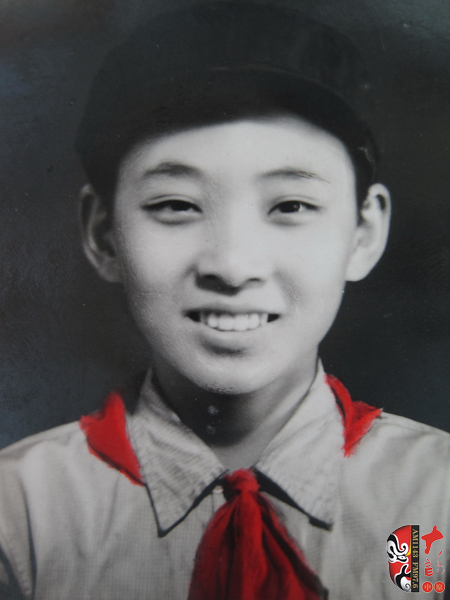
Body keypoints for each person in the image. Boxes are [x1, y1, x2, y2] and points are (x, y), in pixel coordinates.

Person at [0, 2, 449, 599]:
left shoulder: (432, 502)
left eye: (291, 206)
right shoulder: (20, 515)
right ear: (103, 235)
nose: (233, 267)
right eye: (176, 205)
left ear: (363, 234)